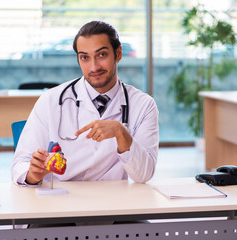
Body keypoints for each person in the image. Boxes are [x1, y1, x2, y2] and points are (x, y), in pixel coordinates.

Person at [11, 21, 159, 186]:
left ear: (118, 54)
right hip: (59, 203)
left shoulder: (144, 105)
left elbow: (144, 175)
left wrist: (122, 134)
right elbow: (20, 164)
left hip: (112, 203)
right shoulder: (50, 100)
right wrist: (32, 174)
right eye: (85, 57)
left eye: (102, 55)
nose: (94, 66)